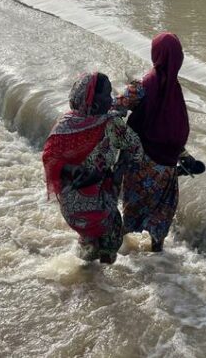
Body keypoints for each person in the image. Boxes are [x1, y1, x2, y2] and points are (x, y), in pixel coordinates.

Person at [115, 32, 202, 252]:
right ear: (178, 59)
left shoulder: (143, 85)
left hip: (140, 160)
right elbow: (175, 128)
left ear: (157, 54)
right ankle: (157, 254)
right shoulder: (175, 89)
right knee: (162, 210)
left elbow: (116, 108)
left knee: (132, 207)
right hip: (167, 165)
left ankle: (116, 253)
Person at [42, 72, 142, 264]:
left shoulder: (65, 124)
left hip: (71, 209)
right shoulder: (111, 124)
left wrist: (72, 170)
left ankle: (86, 272)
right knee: (111, 237)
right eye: (106, 94)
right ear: (92, 100)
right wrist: (118, 172)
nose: (110, 98)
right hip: (99, 204)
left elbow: (49, 158)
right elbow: (135, 148)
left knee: (89, 241)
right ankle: (101, 286)